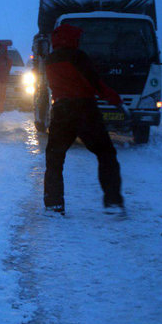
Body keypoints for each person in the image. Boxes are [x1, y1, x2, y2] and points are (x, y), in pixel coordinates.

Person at [44, 23, 126, 215]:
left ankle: (53, 204)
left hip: (61, 112)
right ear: (72, 39)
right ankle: (113, 201)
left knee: (55, 159)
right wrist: (116, 100)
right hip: (84, 110)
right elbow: (95, 83)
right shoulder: (78, 57)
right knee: (106, 154)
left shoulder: (50, 60)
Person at [0, 43, 12, 114]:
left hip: (3, 80)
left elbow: (7, 69)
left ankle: (0, 110)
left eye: (2, 50)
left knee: (1, 96)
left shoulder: (8, 60)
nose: (1, 51)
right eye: (0, 50)